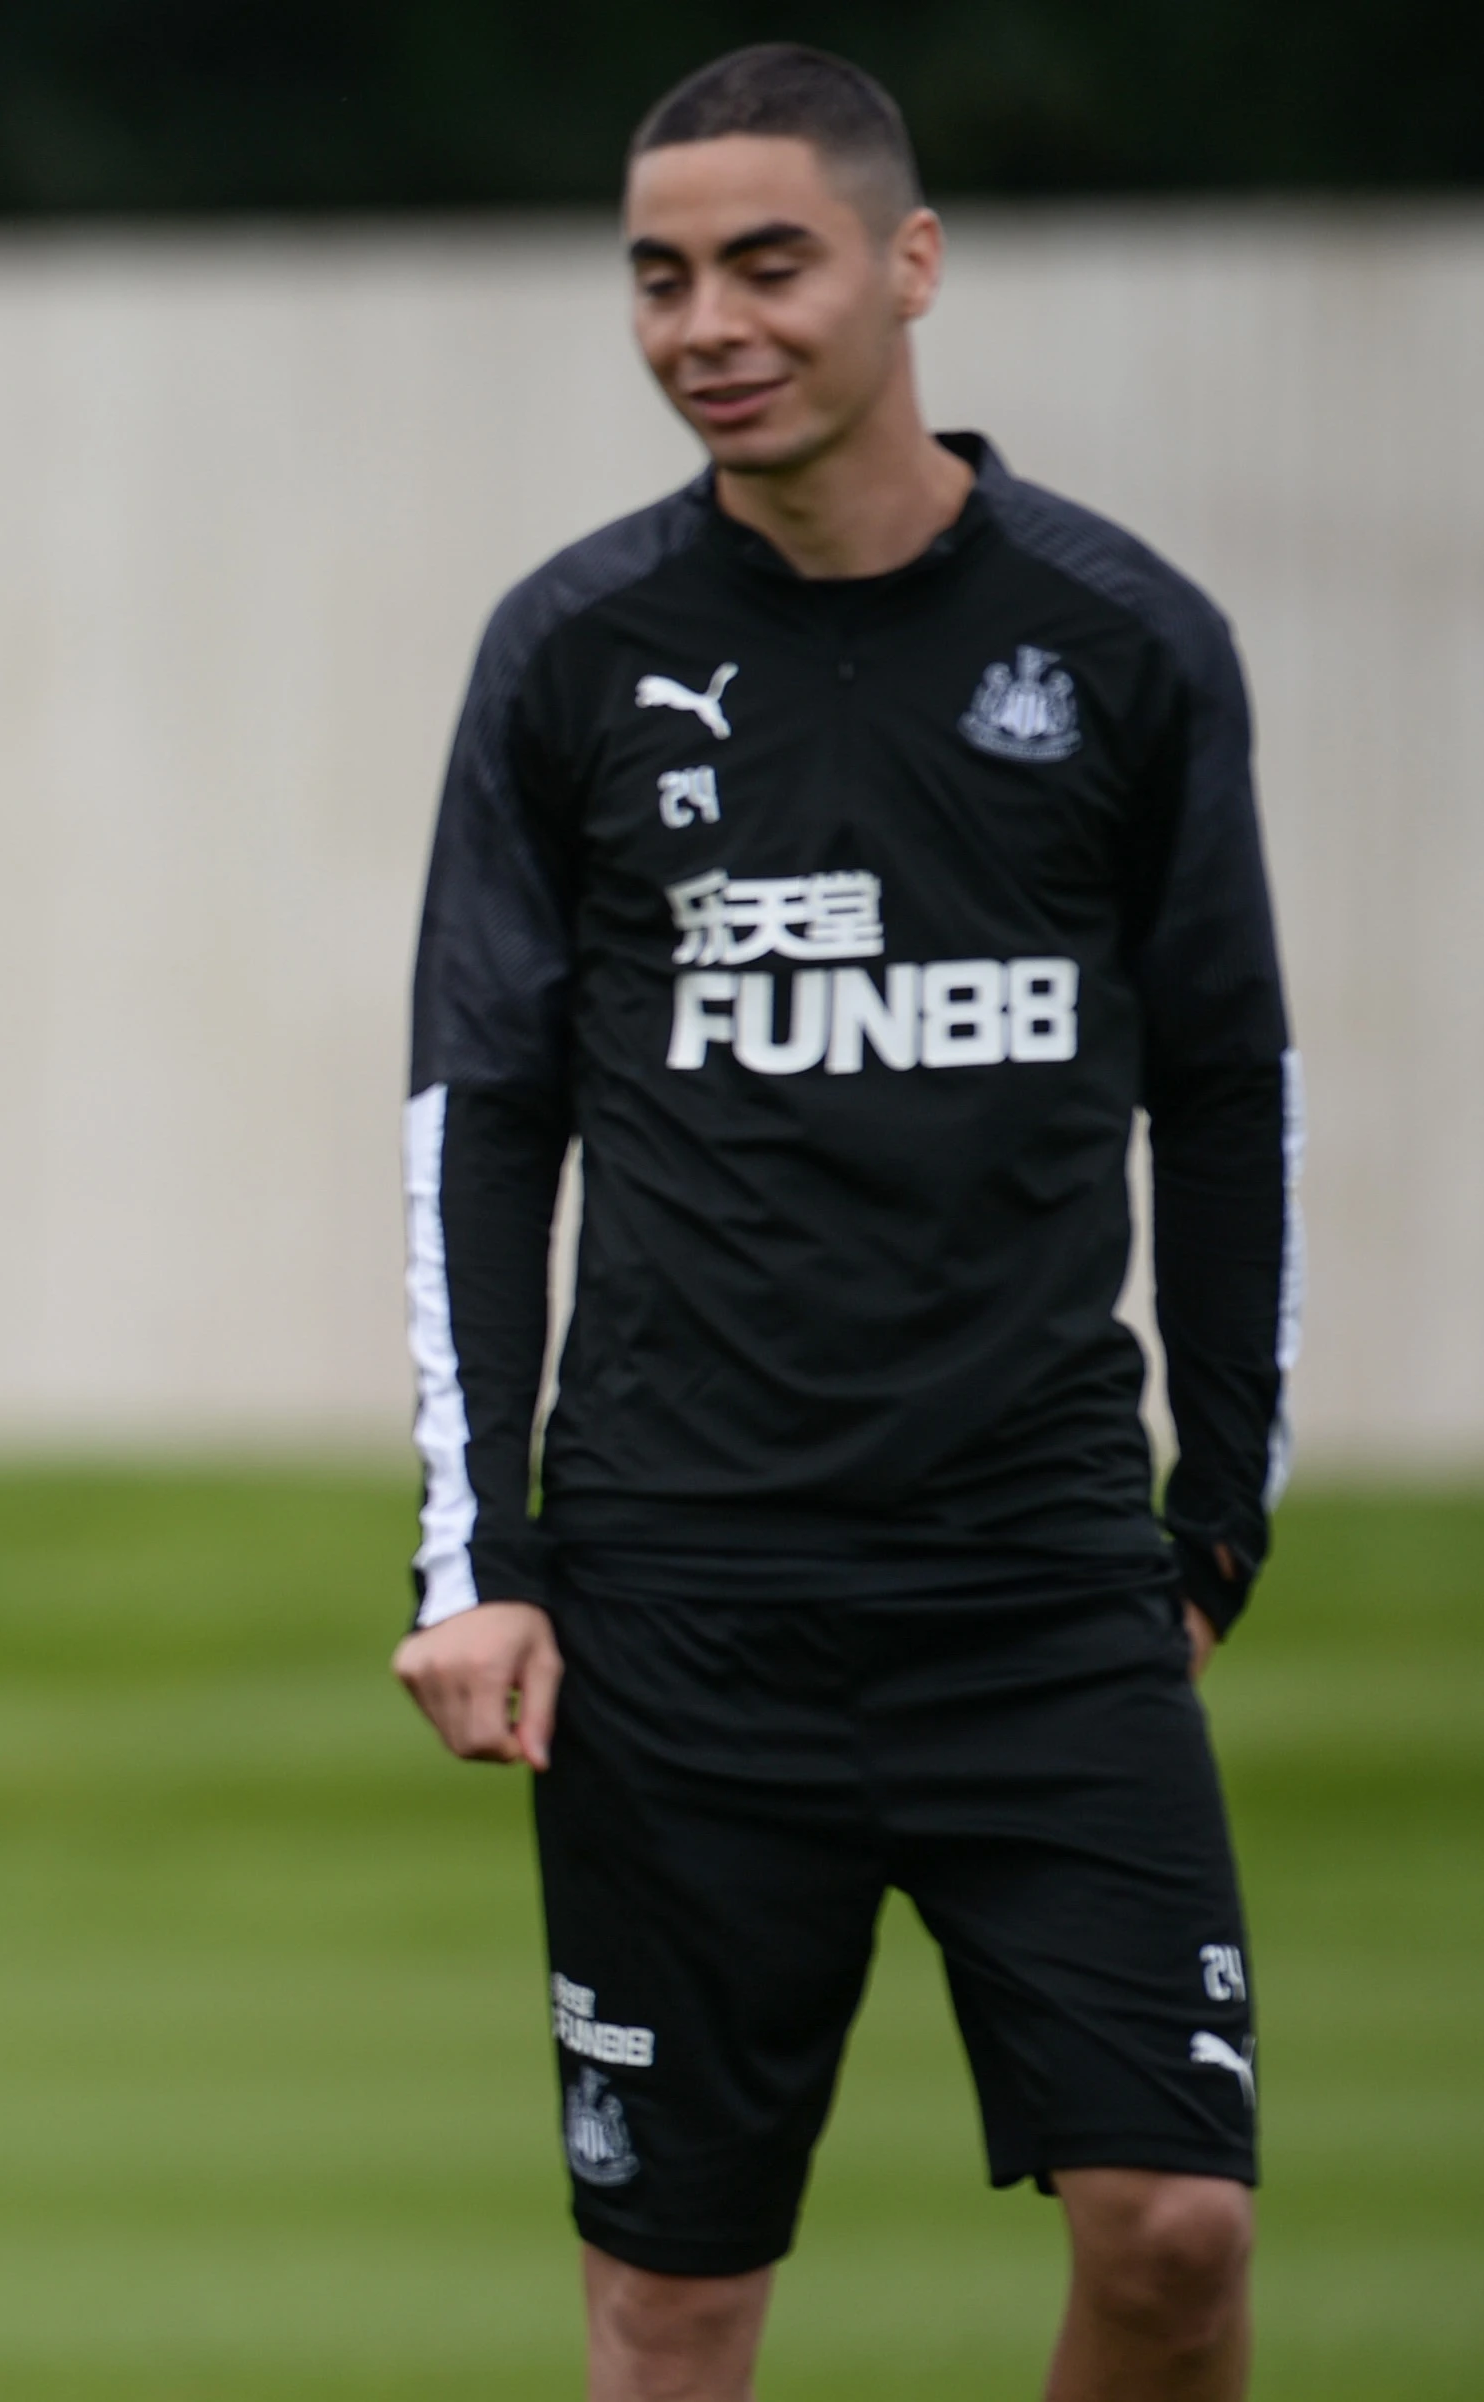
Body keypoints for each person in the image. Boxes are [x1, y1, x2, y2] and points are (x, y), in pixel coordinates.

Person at [390, 46, 1296, 2402]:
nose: (707, 318)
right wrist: (474, 1551)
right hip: (683, 1604)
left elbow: (1227, 1093)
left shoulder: (1120, 639)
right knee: (672, 2310)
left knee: (1180, 2227)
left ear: (906, 264)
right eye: (660, 274)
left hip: (1036, 1588)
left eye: (765, 260)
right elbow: (476, 1119)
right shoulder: (572, 653)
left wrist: (1221, 1513)